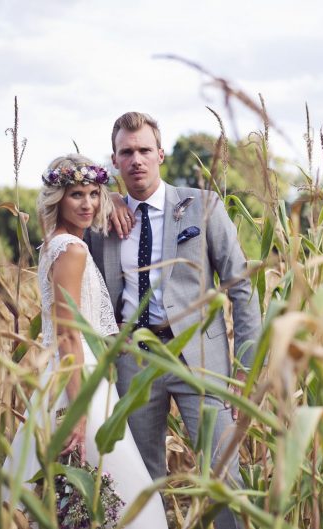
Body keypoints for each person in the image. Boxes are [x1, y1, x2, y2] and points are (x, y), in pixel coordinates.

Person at [86, 112, 262, 529]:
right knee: (142, 479)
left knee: (222, 475)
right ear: (114, 160)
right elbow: (56, 240)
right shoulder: (102, 222)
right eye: (126, 152)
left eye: (145, 150)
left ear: (161, 153)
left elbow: (242, 289)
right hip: (133, 361)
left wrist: (247, 370)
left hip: (201, 360)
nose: (137, 160)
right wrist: (101, 197)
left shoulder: (202, 207)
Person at [1, 154, 167, 528]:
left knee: (73, 494)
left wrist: (121, 199)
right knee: (126, 501)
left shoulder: (55, 245)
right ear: (57, 198)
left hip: (67, 376)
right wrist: (77, 415)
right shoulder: (72, 250)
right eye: (77, 194)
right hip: (79, 382)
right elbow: (68, 332)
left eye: (94, 193)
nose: (88, 203)